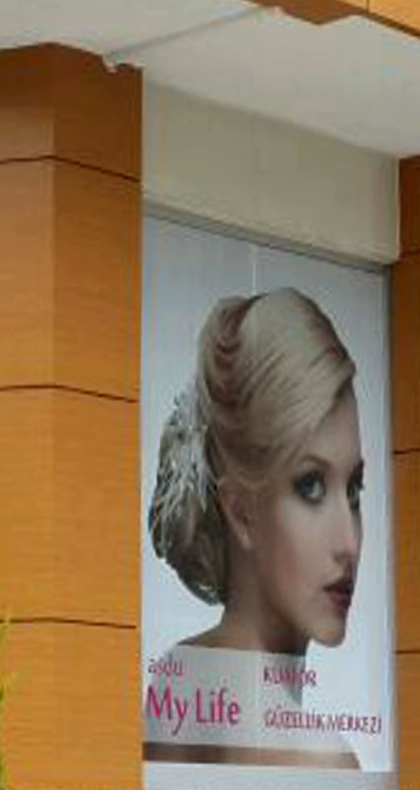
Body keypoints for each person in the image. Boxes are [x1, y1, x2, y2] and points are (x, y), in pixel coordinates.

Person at [145, 289, 364, 768]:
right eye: (310, 486)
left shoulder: (179, 675)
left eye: (354, 490)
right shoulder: (321, 761)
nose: (348, 544)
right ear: (241, 511)